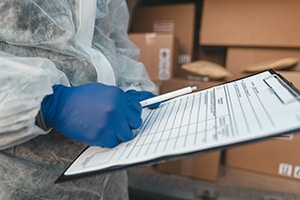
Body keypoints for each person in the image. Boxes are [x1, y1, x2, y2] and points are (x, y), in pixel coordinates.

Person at [0, 0, 158, 199]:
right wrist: (51, 104)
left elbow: (112, 39)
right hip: (20, 178)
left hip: (108, 176)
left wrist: (132, 85)